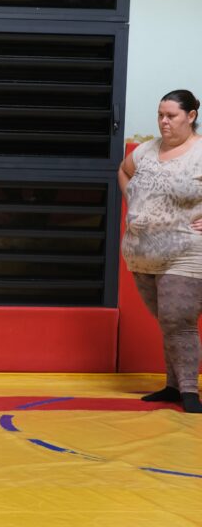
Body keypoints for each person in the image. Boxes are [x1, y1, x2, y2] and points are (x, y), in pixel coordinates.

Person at [119, 89, 202, 414]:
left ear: (191, 116)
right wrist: (133, 202)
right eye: (160, 115)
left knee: (178, 319)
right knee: (166, 321)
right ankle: (172, 385)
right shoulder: (145, 151)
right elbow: (123, 171)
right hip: (142, 252)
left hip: (186, 250)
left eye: (171, 116)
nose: (164, 122)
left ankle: (189, 391)